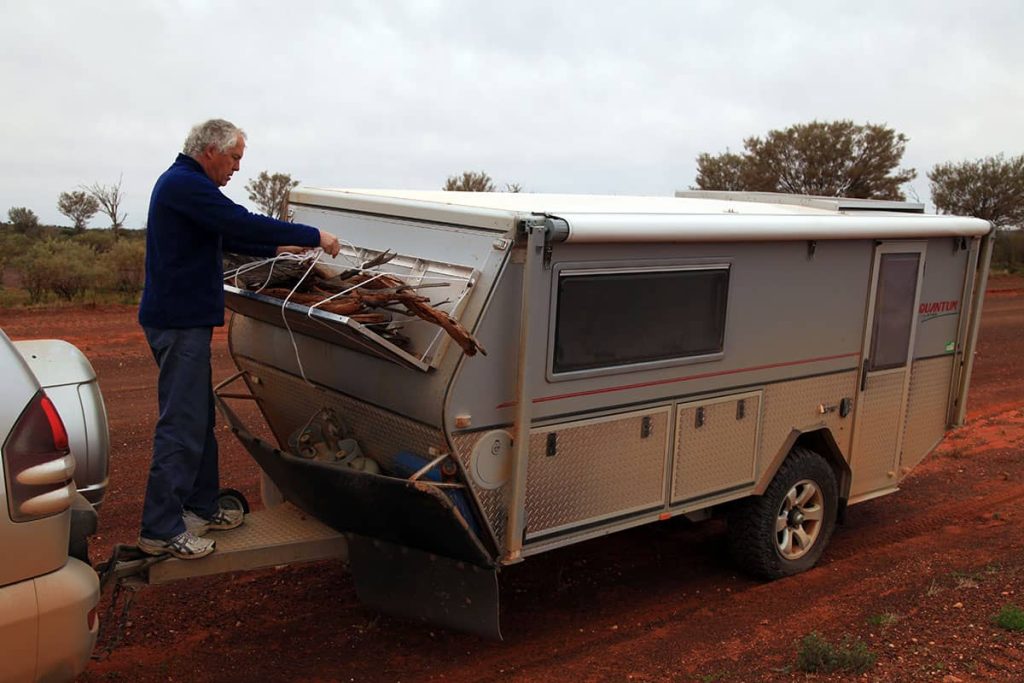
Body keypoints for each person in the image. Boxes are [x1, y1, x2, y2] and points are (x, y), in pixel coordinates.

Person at [137, 118, 341, 560]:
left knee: (198, 417)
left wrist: (273, 251)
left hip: (181, 320)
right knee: (182, 425)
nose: (236, 168)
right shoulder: (184, 185)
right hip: (178, 323)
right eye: (234, 158)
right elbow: (237, 220)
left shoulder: (183, 185)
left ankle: (201, 506)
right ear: (210, 150)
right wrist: (314, 236)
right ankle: (160, 528)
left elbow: (222, 232)